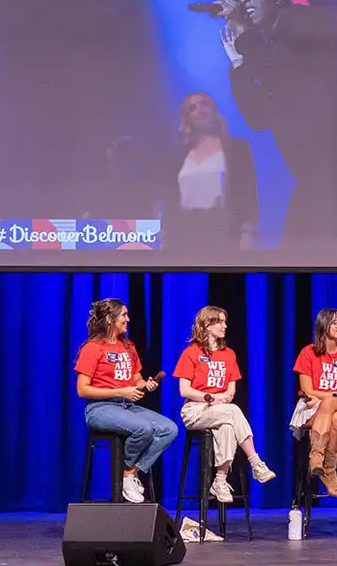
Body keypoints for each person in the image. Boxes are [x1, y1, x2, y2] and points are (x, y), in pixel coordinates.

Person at [214, 0, 337, 249]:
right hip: (317, 173)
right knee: (297, 250)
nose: (243, 1)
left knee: (309, 248)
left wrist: (245, 34)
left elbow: (285, 77)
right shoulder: (269, 45)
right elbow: (258, 117)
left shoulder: (301, 24)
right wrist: (238, 64)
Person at [75, 299, 178, 503]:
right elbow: (82, 389)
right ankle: (127, 474)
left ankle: (130, 473)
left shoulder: (128, 346)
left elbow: (136, 379)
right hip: (99, 408)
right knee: (144, 428)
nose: (128, 319)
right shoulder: (93, 348)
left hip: (126, 406)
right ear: (110, 319)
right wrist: (122, 391)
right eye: (123, 315)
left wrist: (144, 385)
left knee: (169, 429)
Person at [173, 306, 276, 502]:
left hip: (222, 409)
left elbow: (231, 389)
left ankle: (219, 480)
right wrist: (209, 398)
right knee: (233, 412)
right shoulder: (191, 353)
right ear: (207, 324)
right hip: (196, 409)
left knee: (229, 425)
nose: (225, 326)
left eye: (225, 321)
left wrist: (224, 398)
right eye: (220, 321)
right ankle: (255, 462)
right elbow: (184, 390)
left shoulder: (229, 354)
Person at [161, 91, 258, 253]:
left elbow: (248, 191)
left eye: (204, 104)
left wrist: (248, 231)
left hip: (224, 230)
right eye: (192, 108)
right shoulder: (179, 155)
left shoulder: (237, 148)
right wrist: (165, 232)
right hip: (184, 232)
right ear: (188, 118)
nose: (199, 110)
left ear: (214, 110)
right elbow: (171, 197)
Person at [289, 308, 337, 499]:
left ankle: (317, 457)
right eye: (336, 323)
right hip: (310, 409)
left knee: (335, 408)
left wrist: (333, 398)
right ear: (324, 326)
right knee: (336, 419)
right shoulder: (308, 353)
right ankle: (330, 473)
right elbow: (307, 391)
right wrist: (333, 396)